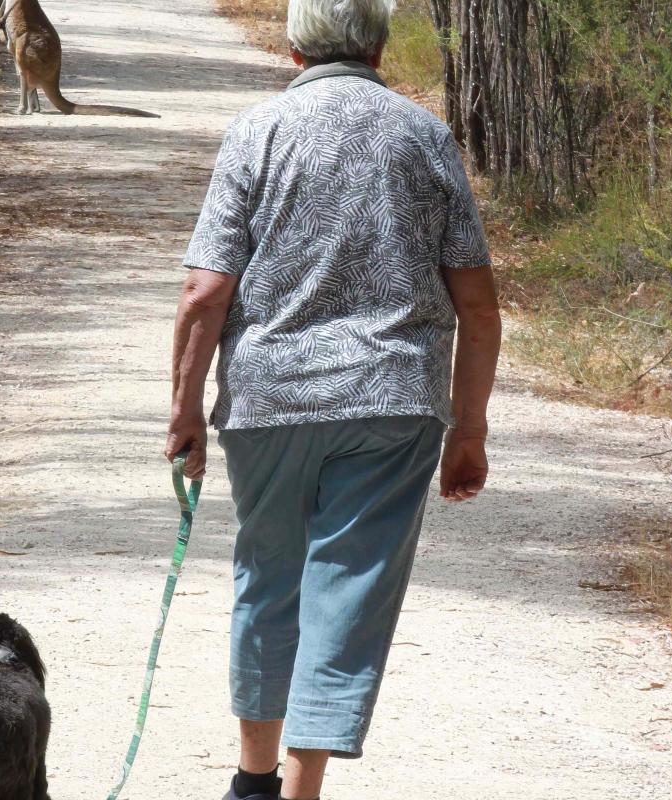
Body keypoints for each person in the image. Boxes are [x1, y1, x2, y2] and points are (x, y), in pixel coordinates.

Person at [166, 1, 501, 797]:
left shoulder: (257, 133)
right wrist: (469, 428)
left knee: (267, 574)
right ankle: (299, 786)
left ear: (291, 49)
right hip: (392, 400)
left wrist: (184, 408)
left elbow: (204, 292)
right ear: (380, 47)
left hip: (270, 399)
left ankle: (252, 777)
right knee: (347, 584)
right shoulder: (424, 137)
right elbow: (479, 306)